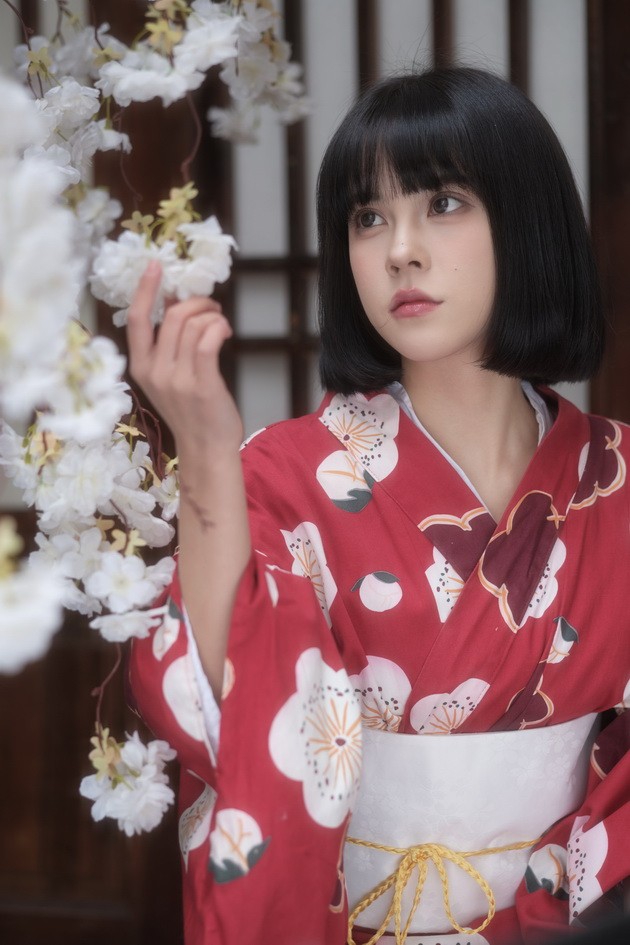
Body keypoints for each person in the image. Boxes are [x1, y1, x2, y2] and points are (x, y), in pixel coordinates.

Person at [126, 67, 630, 945]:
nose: (400, 249)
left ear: (530, 220)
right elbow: (217, 706)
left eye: (444, 203)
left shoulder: (617, 478)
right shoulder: (282, 474)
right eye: (368, 217)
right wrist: (205, 452)